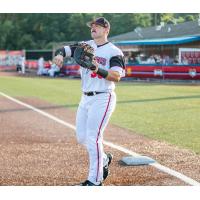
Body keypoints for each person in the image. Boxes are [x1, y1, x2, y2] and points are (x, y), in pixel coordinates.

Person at [53, 17, 126, 186]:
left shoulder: (114, 51)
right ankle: (104, 158)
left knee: (93, 137)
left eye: (97, 26)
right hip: (85, 97)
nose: (93, 28)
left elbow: (116, 76)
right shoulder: (86, 45)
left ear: (106, 30)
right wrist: (59, 55)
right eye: (92, 26)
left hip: (103, 97)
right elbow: (64, 49)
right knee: (81, 137)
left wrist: (95, 67)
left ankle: (95, 181)